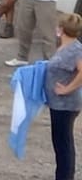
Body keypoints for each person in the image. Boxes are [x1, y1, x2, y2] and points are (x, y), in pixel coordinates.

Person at [47, 13, 82, 180]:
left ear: (61, 30)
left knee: (63, 144)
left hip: (65, 104)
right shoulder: (67, 47)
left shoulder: (75, 50)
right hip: (58, 103)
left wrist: (67, 89)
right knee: (60, 142)